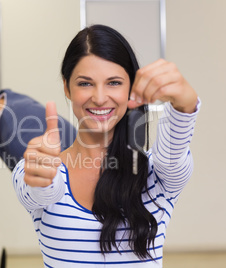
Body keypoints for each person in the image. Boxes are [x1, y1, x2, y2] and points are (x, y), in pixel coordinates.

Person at [12, 24, 200, 267]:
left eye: (113, 82)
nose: (100, 98)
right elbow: (42, 192)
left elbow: (171, 158)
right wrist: (44, 178)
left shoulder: (157, 175)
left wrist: (184, 106)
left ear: (131, 87)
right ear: (66, 87)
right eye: (85, 83)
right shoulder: (35, 171)